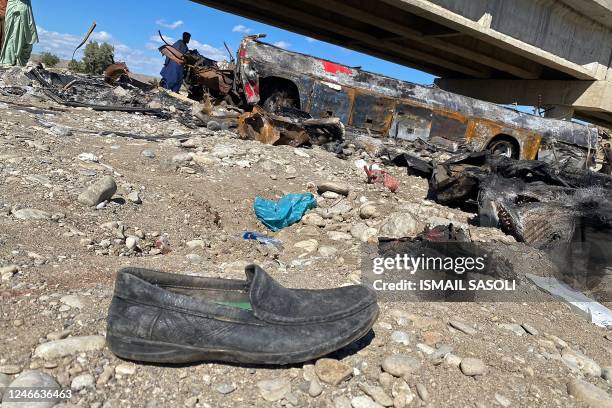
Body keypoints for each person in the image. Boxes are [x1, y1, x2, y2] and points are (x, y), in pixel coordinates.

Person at [0, 0, 38, 66]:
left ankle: (18, 62)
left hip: (23, 9)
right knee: (13, 37)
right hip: (15, 10)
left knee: (25, 39)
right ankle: (9, 61)